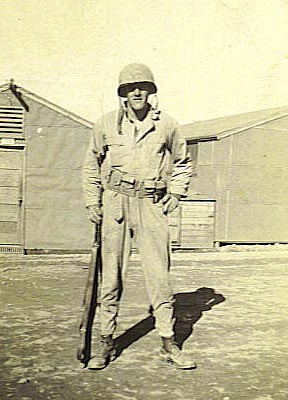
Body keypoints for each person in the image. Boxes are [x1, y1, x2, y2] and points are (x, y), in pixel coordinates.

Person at [82, 63, 196, 370]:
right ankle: (106, 342)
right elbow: (91, 166)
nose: (136, 92)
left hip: (150, 204)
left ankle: (168, 342)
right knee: (111, 278)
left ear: (151, 91)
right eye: (130, 88)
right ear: (122, 93)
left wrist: (175, 193)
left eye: (142, 87)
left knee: (159, 277)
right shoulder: (105, 124)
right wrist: (93, 203)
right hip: (116, 204)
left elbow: (183, 161)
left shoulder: (167, 125)